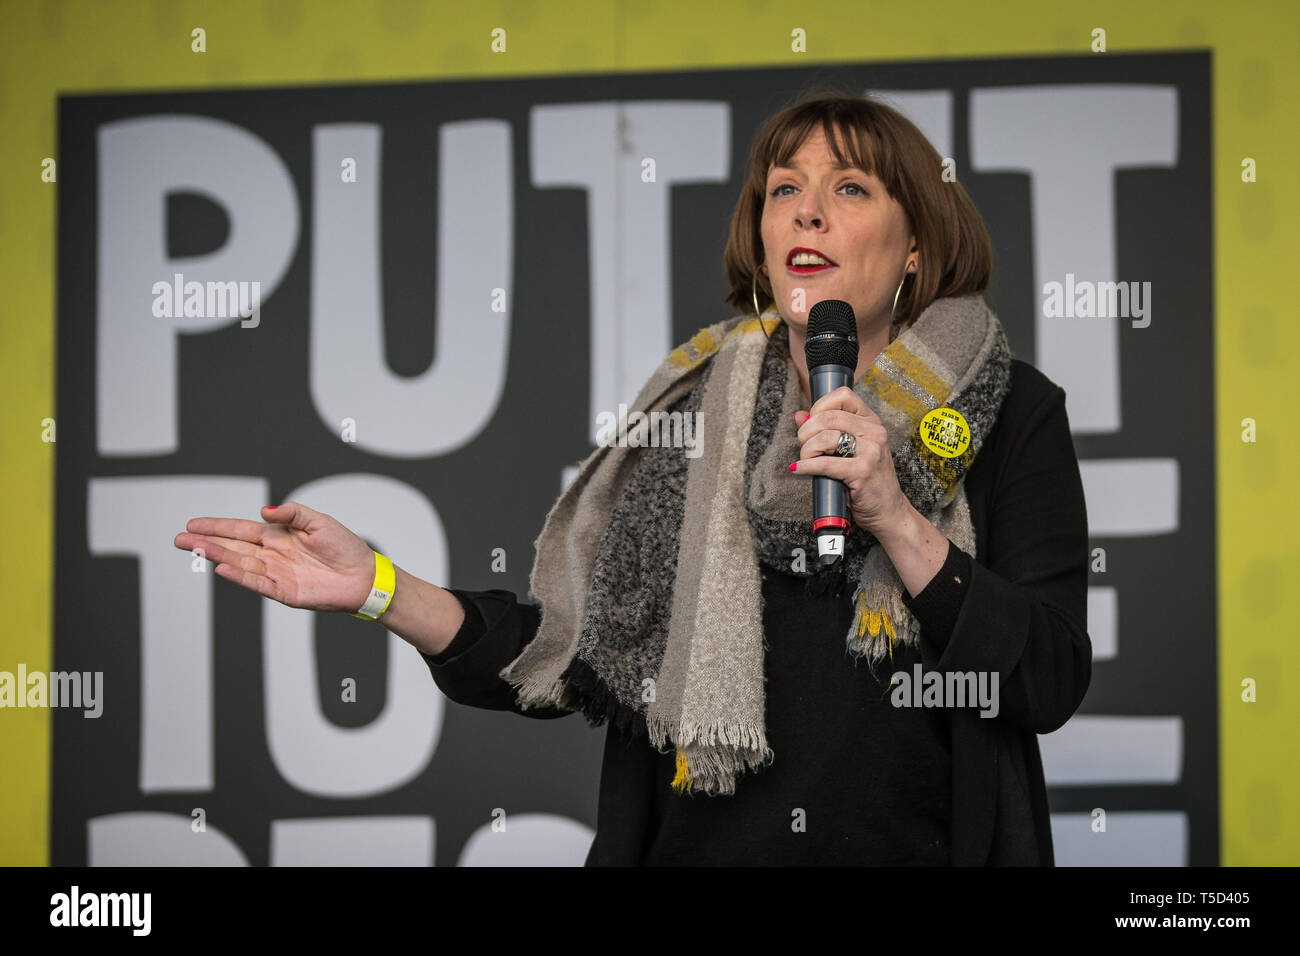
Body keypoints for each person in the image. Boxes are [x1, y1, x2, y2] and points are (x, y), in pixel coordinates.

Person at [174, 90, 1091, 866]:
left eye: (848, 188)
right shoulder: (690, 414)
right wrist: (375, 586)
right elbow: (573, 650)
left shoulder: (1008, 411)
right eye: (784, 190)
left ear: (920, 244)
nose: (806, 213)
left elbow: (1046, 680)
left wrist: (894, 513)